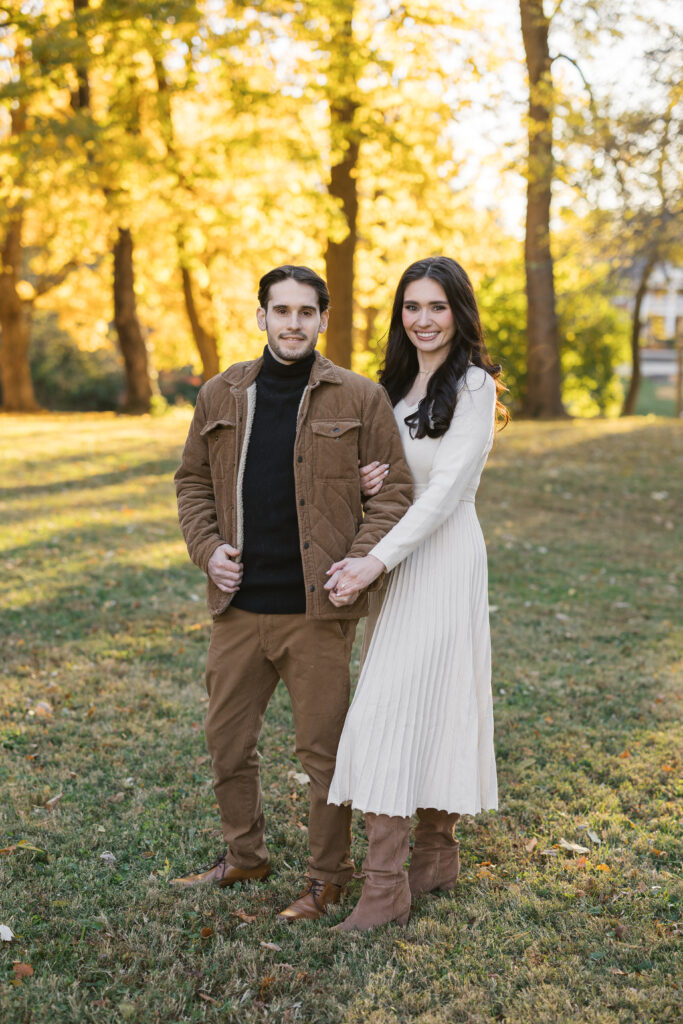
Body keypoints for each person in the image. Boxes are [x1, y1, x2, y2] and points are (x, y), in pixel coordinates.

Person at [171, 265, 413, 923]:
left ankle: (325, 879)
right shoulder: (220, 394)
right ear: (261, 316)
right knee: (226, 742)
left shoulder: (359, 398)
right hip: (239, 610)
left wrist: (361, 561)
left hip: (316, 614)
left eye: (306, 311)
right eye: (281, 310)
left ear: (323, 320)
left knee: (324, 756)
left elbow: (394, 491)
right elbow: (191, 483)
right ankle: (243, 854)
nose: (292, 323)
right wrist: (207, 550)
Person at [324, 256, 508, 931]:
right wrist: (368, 482)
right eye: (411, 307)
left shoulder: (474, 387)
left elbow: (443, 492)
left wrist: (372, 560)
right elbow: (383, 476)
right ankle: (431, 858)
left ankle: (386, 887)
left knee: (394, 704)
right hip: (395, 557)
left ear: (459, 312)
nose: (423, 320)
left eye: (436, 306)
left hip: (441, 555)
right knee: (414, 701)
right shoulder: (389, 387)